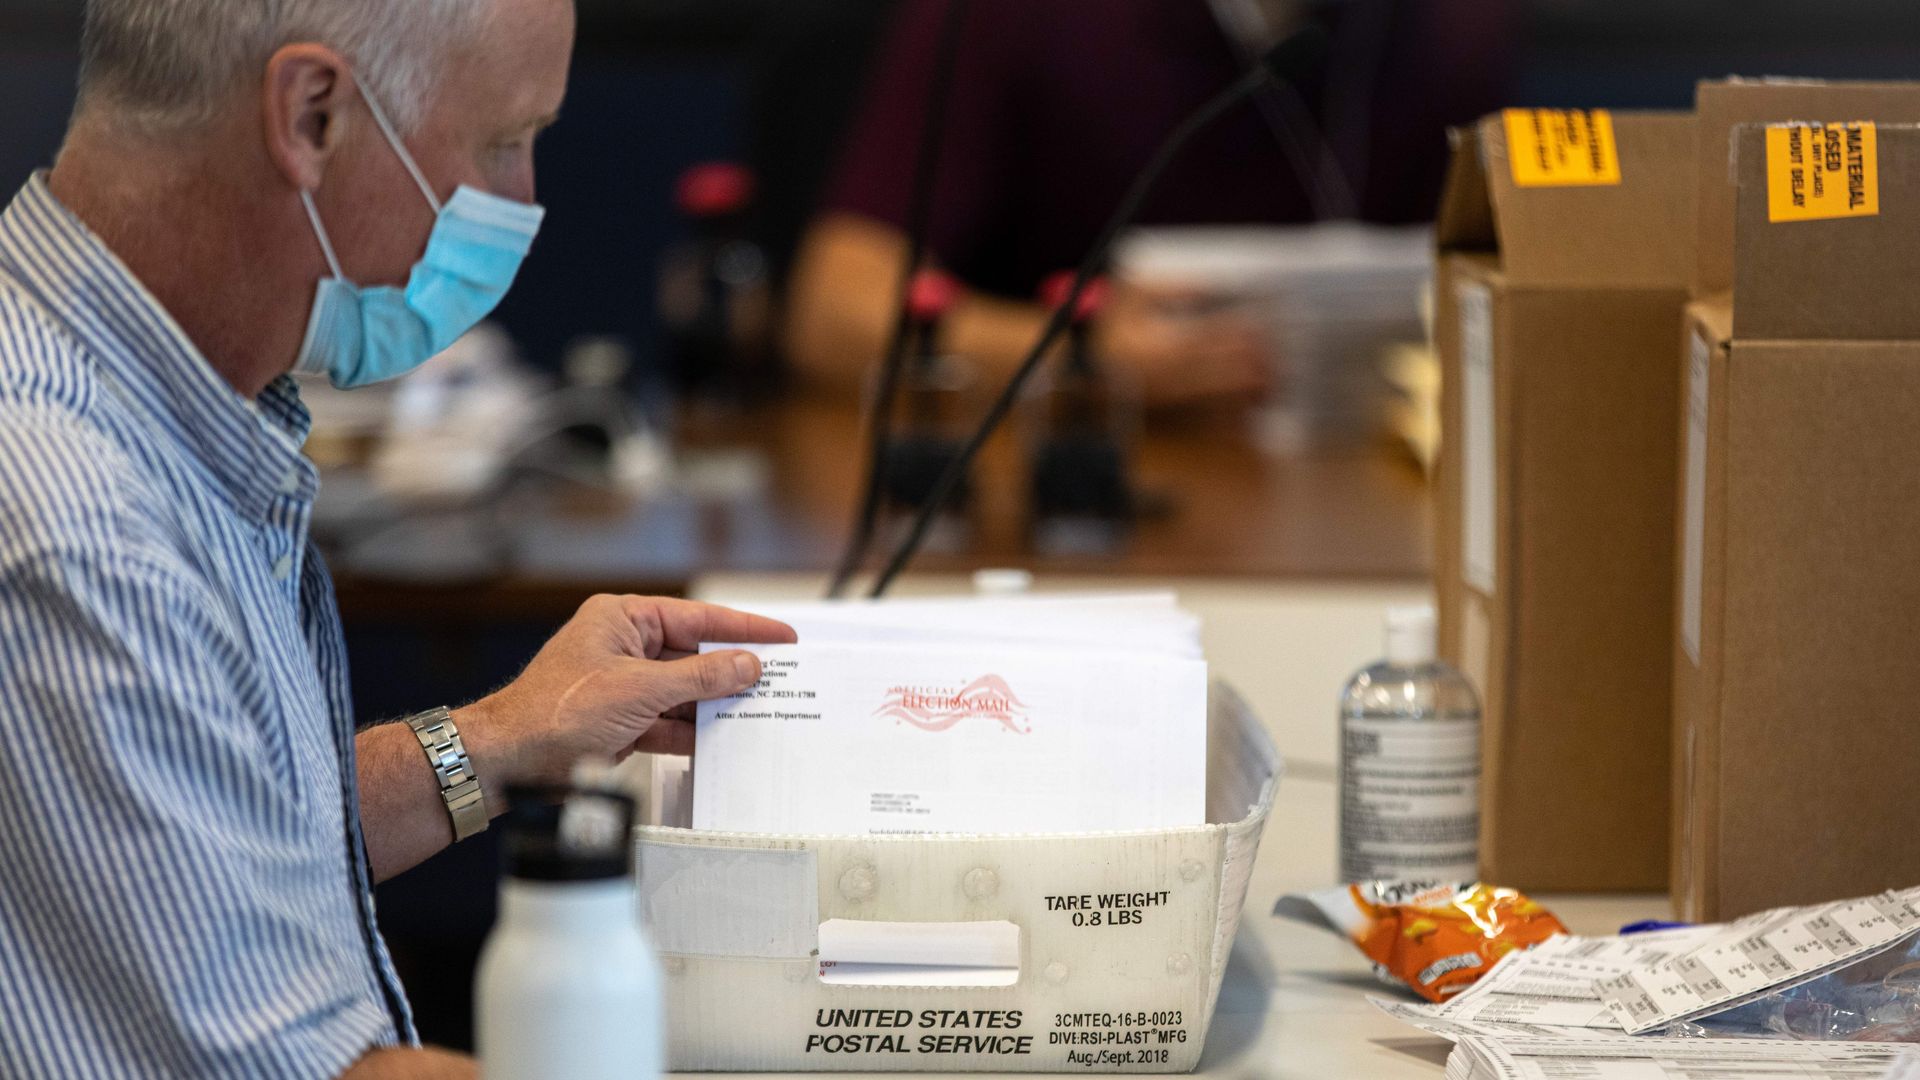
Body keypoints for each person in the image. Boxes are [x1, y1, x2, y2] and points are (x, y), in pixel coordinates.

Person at [0, 1, 794, 1076]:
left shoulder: (144, 406)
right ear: (313, 116)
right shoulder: (77, 532)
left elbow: (198, 847)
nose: (523, 199)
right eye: (504, 141)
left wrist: (511, 735)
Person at [783, 0, 1515, 406]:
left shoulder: (1451, 28)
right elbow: (836, 307)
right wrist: (1076, 359)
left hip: (1346, 497)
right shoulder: (1014, 19)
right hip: (1066, 506)